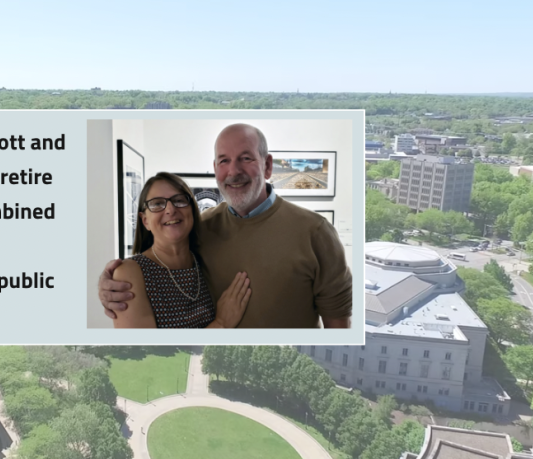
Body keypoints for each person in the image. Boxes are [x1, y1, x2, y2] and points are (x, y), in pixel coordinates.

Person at [100, 123, 352, 328]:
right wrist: (108, 284)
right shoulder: (201, 229)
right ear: (215, 169)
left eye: (245, 158)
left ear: (267, 166)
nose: (233, 171)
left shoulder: (315, 232)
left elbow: (338, 324)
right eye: (224, 161)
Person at [111, 172, 252, 328]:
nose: (170, 209)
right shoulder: (130, 273)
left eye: (179, 200)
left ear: (192, 210)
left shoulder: (203, 259)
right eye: (157, 204)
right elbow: (142, 351)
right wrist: (221, 323)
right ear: (145, 221)